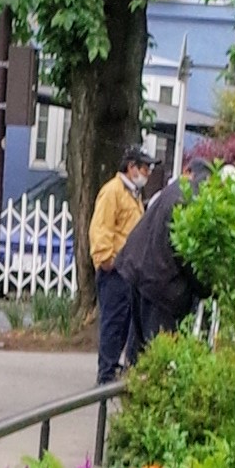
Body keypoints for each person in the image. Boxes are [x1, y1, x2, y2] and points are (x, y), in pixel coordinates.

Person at [116, 157, 205, 367]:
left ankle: (132, 389)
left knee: (138, 350)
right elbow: (185, 254)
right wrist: (204, 287)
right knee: (159, 355)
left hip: (138, 272)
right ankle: (149, 394)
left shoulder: (172, 191)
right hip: (161, 287)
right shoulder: (189, 198)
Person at [87, 146, 154, 383]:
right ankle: (105, 374)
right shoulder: (112, 192)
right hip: (115, 269)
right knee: (113, 322)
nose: (148, 172)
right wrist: (106, 261)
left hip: (128, 269)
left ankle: (112, 370)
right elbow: (101, 228)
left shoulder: (131, 194)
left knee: (125, 322)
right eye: (145, 167)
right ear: (131, 167)